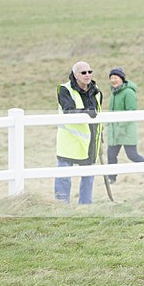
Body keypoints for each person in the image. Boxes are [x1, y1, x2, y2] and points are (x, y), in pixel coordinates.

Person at [55, 60, 102, 204]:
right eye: (83, 72)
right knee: (64, 177)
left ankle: (85, 207)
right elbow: (68, 111)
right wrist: (85, 113)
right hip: (70, 141)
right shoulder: (64, 90)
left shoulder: (97, 91)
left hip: (90, 141)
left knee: (88, 177)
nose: (87, 75)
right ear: (75, 75)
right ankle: (61, 207)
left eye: (89, 72)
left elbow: (98, 114)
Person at [106, 67, 144, 183]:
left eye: (115, 77)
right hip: (115, 131)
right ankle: (111, 178)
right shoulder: (114, 93)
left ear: (122, 79)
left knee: (132, 155)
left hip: (126, 131)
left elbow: (131, 112)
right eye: (111, 78)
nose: (113, 80)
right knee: (111, 155)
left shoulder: (128, 92)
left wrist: (121, 127)